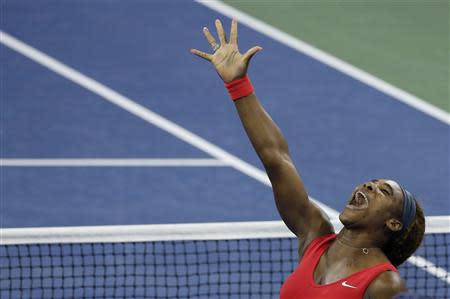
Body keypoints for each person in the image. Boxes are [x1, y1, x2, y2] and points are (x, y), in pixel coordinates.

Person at [191, 19, 425, 299]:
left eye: (384, 191)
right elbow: (276, 158)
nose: (369, 186)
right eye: (371, 183)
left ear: (393, 224)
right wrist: (238, 86)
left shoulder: (383, 284)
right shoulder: (314, 234)